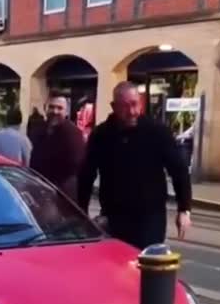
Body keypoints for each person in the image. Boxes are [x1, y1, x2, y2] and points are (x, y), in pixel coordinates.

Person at [77, 81, 192, 250]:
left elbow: (179, 170)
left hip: (150, 217)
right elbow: (86, 175)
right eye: (124, 107)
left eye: (134, 104)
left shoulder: (157, 131)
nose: (131, 112)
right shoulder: (101, 135)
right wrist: (81, 212)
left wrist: (184, 209)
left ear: (141, 103)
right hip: (114, 216)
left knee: (146, 266)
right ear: (114, 107)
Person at [30, 90, 85, 199]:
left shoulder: (73, 134)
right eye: (52, 107)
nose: (55, 111)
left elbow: (76, 167)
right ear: (46, 108)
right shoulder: (38, 130)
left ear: (66, 112)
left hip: (63, 194)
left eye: (60, 108)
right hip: (40, 190)